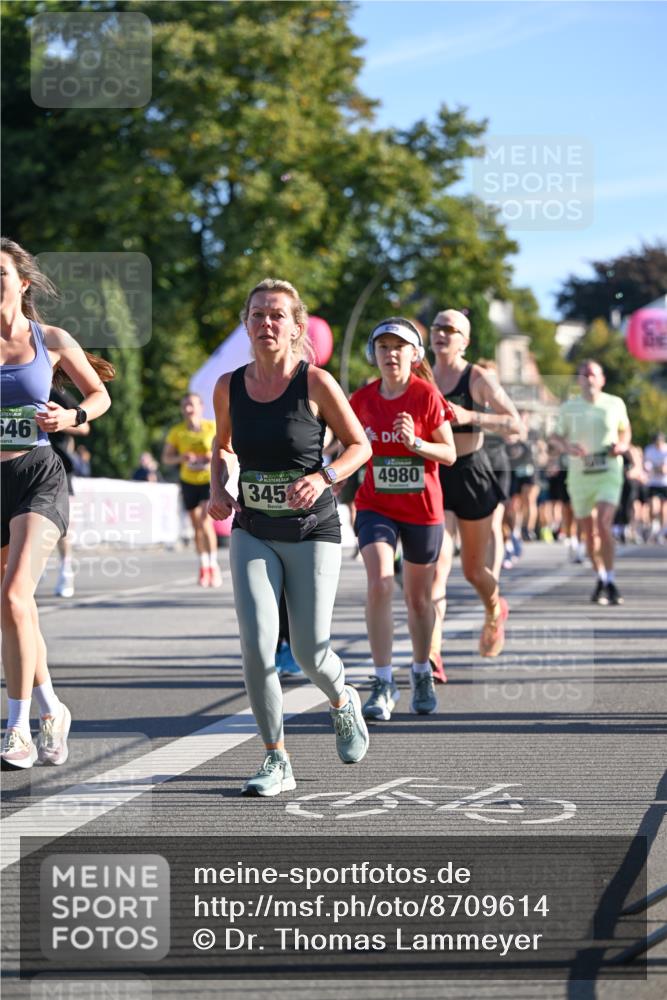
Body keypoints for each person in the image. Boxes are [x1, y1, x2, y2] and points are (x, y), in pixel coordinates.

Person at [208, 277, 371, 797]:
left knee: (308, 652)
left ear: (297, 327)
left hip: (312, 529)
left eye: (277, 315)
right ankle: (276, 758)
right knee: (256, 648)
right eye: (257, 314)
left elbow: (359, 446)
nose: (266, 323)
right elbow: (222, 446)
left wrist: (323, 476)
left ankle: (343, 700)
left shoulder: (316, 383)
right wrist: (218, 488)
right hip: (253, 527)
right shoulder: (228, 385)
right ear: (246, 324)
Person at [1, 237, 113, 769]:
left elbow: (100, 396)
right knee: (14, 609)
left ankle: (17, 728)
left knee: (15, 597)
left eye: (0, 274)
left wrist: (70, 418)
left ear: (22, 283)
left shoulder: (50, 338)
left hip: (38, 476)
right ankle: (51, 709)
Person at [349, 318, 455, 720]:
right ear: (373, 355)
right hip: (376, 505)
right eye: (383, 347)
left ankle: (421, 670)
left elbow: (450, 454)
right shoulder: (360, 400)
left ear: (414, 354)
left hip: (422, 511)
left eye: (399, 347)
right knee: (379, 582)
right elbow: (339, 444)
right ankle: (382, 680)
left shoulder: (426, 396)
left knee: (418, 599)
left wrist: (416, 443)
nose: (390, 354)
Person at [429, 309, 524, 665]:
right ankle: (432, 656)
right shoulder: (422, 373)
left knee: (472, 570)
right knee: (438, 565)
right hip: (436, 474)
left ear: (465, 341)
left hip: (471, 474)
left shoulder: (477, 377)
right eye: (438, 327)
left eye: (450, 329)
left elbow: (516, 425)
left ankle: (494, 609)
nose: (442, 333)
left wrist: (473, 417)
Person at [552, 359, 631, 605]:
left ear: (602, 379)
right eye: (584, 374)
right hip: (580, 475)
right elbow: (554, 436)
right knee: (589, 533)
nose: (589, 379)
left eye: (593, 374)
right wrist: (567, 446)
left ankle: (611, 577)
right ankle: (602, 578)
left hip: (608, 471)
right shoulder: (569, 408)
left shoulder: (614, 403)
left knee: (603, 523)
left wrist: (622, 446)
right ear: (579, 380)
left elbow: (625, 430)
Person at [162, 392, 222, 588]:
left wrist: (210, 456)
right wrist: (182, 458)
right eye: (185, 406)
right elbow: (166, 459)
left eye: (192, 405)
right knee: (196, 526)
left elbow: (226, 449)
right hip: (188, 481)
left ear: (201, 407)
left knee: (206, 523)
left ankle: (213, 566)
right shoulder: (177, 432)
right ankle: (203, 566)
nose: (188, 409)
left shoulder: (212, 427)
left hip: (208, 480)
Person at [48, 385, 91, 598]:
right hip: (19, 464)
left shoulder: (57, 393)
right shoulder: (10, 387)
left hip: (58, 466)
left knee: (59, 525)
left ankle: (66, 569)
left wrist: (59, 422)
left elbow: (84, 427)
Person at [644, 431, 667, 543]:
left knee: (663, 509)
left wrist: (660, 469)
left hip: (664, 483)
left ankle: (662, 531)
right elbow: (647, 466)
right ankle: (654, 526)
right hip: (653, 483)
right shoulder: (649, 450)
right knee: (653, 507)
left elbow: (664, 469)